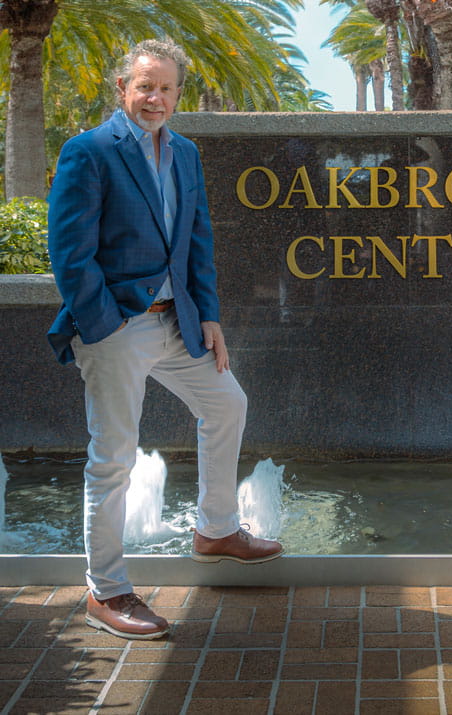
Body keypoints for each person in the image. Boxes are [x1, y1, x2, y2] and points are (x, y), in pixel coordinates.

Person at [47, 39, 283, 641]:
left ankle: (216, 530)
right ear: (123, 88)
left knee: (227, 402)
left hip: (177, 319)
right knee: (114, 458)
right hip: (117, 324)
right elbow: (69, 256)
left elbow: (196, 239)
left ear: (180, 94)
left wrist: (208, 315)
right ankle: (107, 590)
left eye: (167, 88)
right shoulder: (90, 151)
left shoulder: (186, 154)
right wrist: (105, 325)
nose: (156, 98)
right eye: (145, 86)